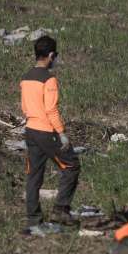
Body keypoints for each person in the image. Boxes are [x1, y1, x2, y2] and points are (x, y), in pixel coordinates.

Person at [20, 35, 81, 228]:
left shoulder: (26, 77)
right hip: (47, 131)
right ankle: (61, 210)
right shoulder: (49, 79)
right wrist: (62, 133)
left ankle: (33, 219)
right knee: (71, 165)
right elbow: (51, 110)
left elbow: (24, 106)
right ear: (52, 55)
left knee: (34, 175)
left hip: (30, 130)